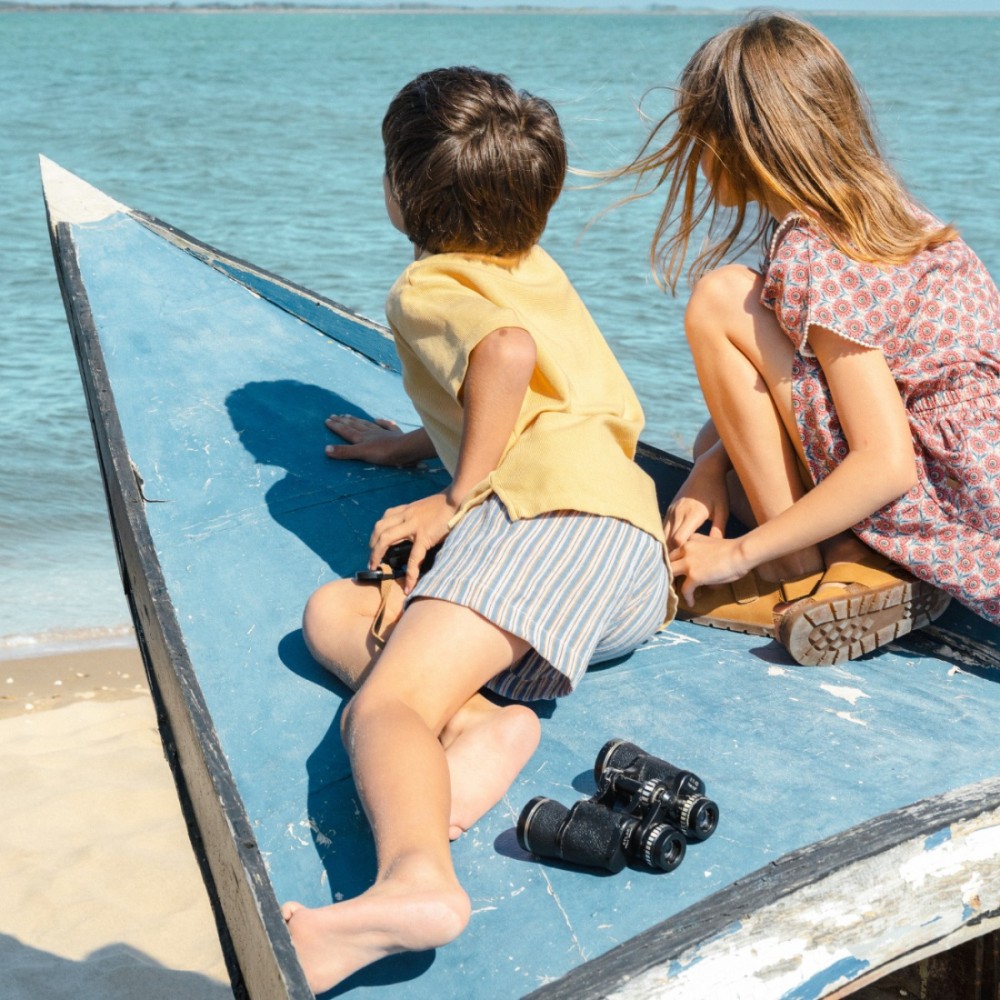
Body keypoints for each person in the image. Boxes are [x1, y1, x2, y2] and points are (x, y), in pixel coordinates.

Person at [283, 66, 673, 993]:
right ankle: (482, 728)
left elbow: (502, 355)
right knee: (335, 615)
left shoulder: (426, 286)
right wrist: (413, 442)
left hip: (547, 523)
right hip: (624, 562)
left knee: (384, 709)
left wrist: (457, 495)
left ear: (399, 189)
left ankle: (415, 884)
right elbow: (535, 386)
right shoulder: (535, 267)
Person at [615, 12, 999, 666]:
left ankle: (791, 569)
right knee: (728, 412)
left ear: (739, 142)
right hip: (978, 498)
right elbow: (796, 382)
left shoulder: (813, 247)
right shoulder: (898, 219)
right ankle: (855, 558)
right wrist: (711, 465)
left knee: (718, 300)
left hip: (938, 504)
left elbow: (886, 460)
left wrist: (733, 551)